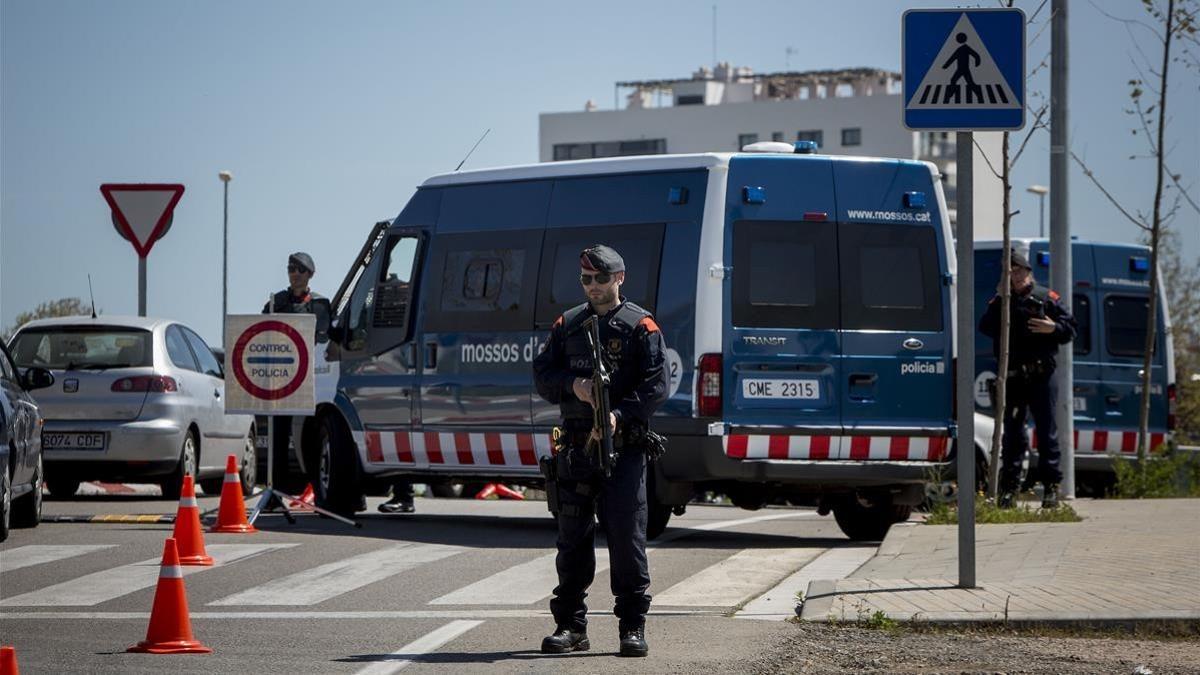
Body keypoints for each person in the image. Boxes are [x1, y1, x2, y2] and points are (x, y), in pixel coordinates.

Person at [532, 244, 669, 658]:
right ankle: (571, 626)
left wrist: (619, 415)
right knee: (572, 539)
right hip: (575, 449)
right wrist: (572, 387)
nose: (593, 286)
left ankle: (632, 625)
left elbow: (656, 385)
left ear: (619, 278)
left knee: (627, 539)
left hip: (623, 449)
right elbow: (543, 373)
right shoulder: (569, 324)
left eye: (601, 279)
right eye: (587, 280)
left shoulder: (641, 326)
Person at [979, 250, 1077, 509]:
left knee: (1047, 434)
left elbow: (1071, 329)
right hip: (1012, 378)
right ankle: (1008, 491)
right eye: (1010, 272)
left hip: (1042, 376)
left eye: (1019, 271)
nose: (1015, 276)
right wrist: (1000, 297)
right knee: (1012, 436)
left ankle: (1051, 491)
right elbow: (985, 327)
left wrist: (1053, 328)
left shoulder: (1047, 297)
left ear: (1028, 271)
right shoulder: (1002, 300)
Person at [262, 253, 327, 494]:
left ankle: (317, 492)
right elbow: (262, 333)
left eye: (300, 269)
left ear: (310, 273)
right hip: (282, 379)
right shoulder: (275, 302)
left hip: (310, 381)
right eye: (291, 269)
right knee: (278, 440)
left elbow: (325, 339)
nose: (295, 274)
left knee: (310, 439)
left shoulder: (320, 304)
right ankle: (275, 492)